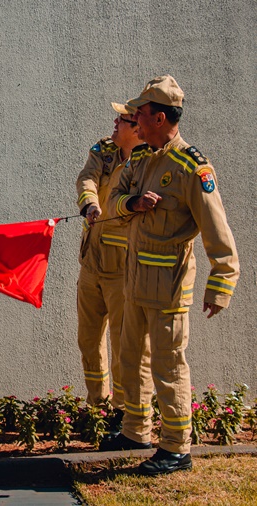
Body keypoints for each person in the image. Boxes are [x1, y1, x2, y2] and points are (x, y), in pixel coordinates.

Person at [103, 75, 240, 475]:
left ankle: (177, 449)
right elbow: (113, 203)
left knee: (169, 367)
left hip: (169, 288)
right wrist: (133, 203)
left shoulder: (191, 168)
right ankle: (136, 431)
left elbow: (218, 231)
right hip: (135, 282)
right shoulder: (142, 159)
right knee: (132, 360)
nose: (135, 121)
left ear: (159, 118)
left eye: (140, 114)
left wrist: (221, 284)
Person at [75, 101, 145, 431]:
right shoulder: (103, 150)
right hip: (91, 262)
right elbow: (86, 178)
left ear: (138, 128)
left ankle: (122, 412)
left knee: (122, 345)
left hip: (122, 271)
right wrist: (89, 203)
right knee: (88, 341)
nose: (115, 122)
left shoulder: (147, 163)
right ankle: (97, 407)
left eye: (123, 119)